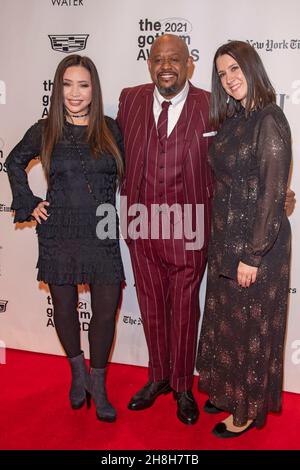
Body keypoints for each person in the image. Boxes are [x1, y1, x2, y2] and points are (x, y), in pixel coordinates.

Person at [6, 54, 124, 423]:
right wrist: (29, 202)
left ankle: (99, 383)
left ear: (94, 90)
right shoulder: (45, 130)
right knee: (64, 308)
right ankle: (78, 375)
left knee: (106, 311)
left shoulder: (110, 128)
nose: (74, 93)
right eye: (67, 85)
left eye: (83, 85)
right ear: (58, 89)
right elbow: (13, 162)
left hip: (102, 228)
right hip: (59, 231)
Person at [117, 34, 215, 425]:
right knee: (152, 307)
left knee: (185, 310)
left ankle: (181, 386)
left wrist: (278, 192)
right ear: (149, 64)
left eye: (174, 59)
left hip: (190, 228)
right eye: (158, 59)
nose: (166, 67)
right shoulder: (130, 99)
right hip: (142, 225)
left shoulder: (211, 104)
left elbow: (232, 160)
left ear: (189, 63)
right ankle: (157, 377)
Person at [196, 40, 292, 437]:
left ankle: (246, 408)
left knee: (250, 327)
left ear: (252, 68)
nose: (229, 79)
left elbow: (272, 192)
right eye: (222, 73)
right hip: (226, 241)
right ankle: (224, 388)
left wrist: (253, 255)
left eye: (235, 69)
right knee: (225, 323)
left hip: (257, 246)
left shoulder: (270, 119)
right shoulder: (234, 119)